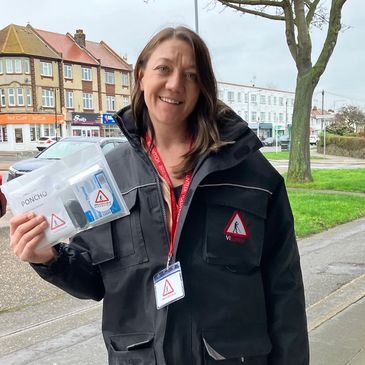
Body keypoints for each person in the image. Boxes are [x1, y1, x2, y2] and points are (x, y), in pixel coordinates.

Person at [10, 26, 309, 364]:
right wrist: (47, 257)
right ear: (141, 76)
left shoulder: (253, 177)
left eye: (191, 75)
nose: (175, 84)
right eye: (164, 68)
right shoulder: (107, 177)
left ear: (202, 89)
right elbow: (92, 281)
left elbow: (285, 293)